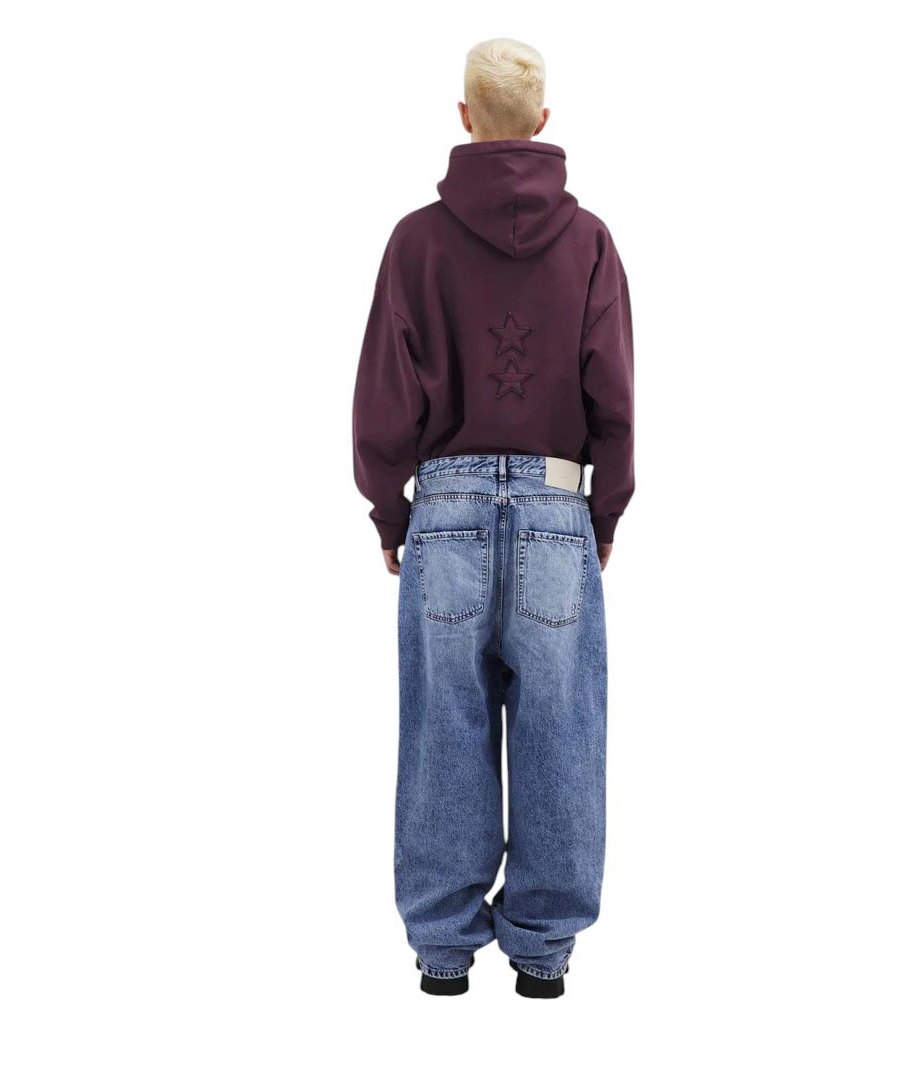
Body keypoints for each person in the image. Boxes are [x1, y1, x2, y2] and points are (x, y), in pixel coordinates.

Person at [352, 37, 634, 999]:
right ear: (544, 121)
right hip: (557, 505)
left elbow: (383, 393)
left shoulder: (415, 242)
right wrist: (603, 511)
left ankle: (442, 952)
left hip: (447, 510)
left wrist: (389, 511)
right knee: (562, 733)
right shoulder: (589, 241)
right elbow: (613, 393)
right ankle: (544, 956)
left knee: (443, 729)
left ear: (465, 118)